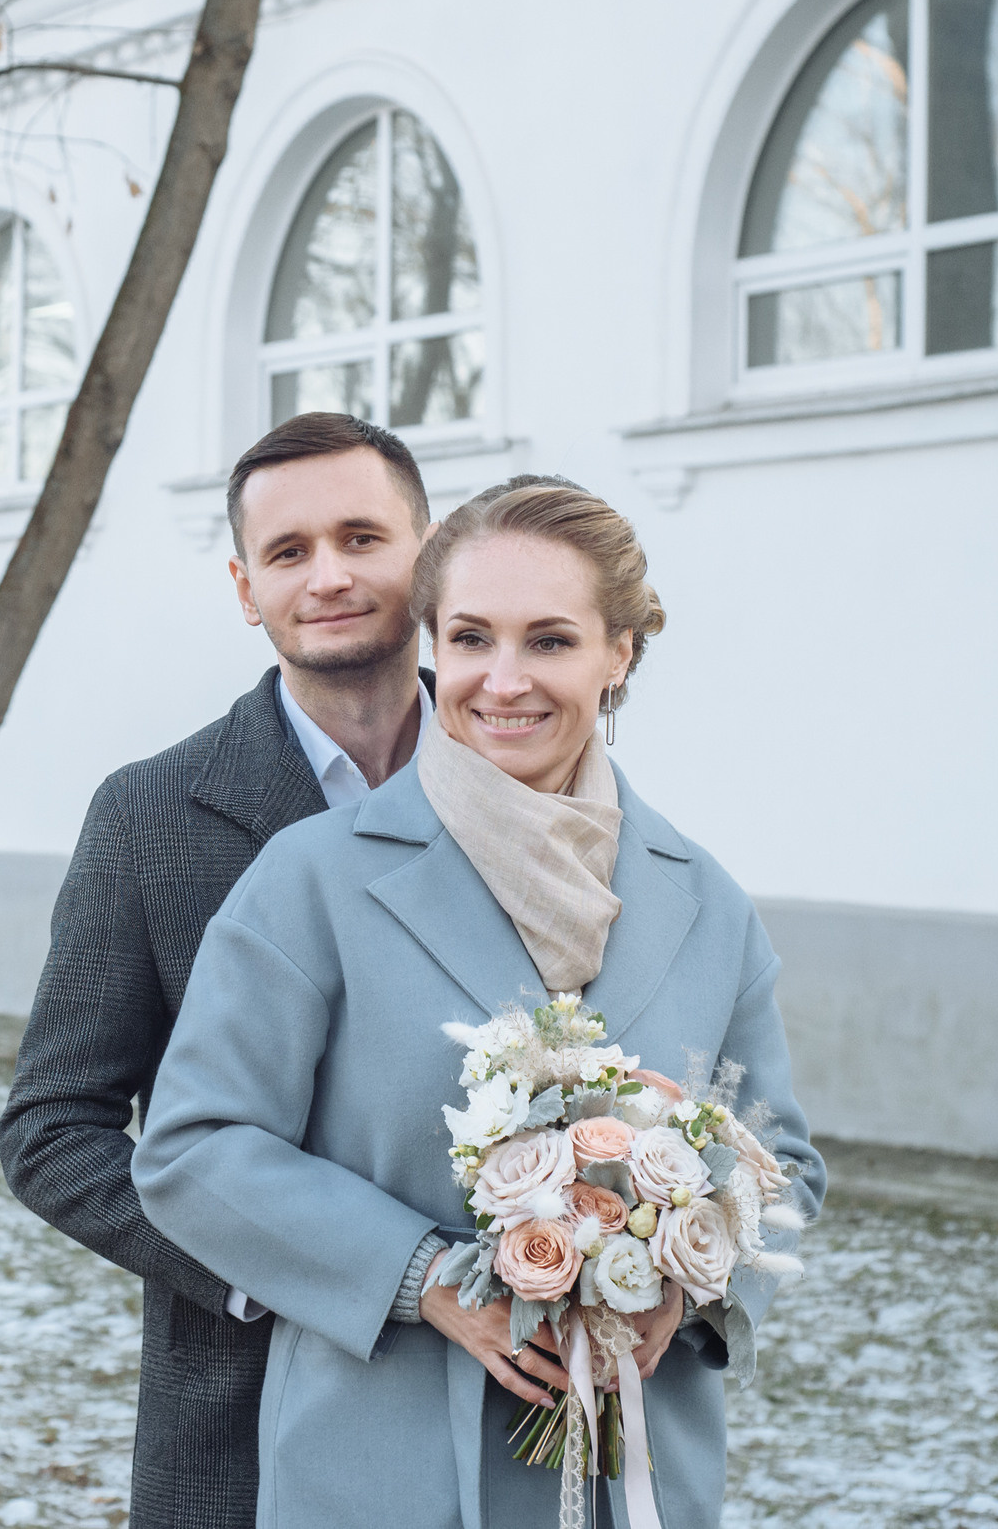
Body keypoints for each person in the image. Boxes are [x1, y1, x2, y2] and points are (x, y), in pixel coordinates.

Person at [131, 478, 826, 1529]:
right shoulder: (311, 878)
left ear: (617, 655)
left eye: (548, 641)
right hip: (381, 1463)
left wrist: (680, 1284)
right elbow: (194, 1146)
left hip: (628, 1473)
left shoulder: (705, 899)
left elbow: (784, 1167)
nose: (502, 682)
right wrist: (425, 1279)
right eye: (469, 639)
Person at [0, 413, 434, 1529]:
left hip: (498, 1407)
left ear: (428, 556)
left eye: (360, 537)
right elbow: (53, 1128)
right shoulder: (148, 815)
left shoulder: (531, 777)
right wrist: (260, 1271)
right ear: (247, 591)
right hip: (241, 1413)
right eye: (288, 553)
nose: (327, 575)